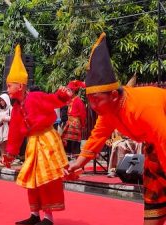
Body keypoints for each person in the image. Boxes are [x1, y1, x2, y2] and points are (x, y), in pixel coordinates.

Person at [67, 32, 166, 225]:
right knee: (154, 194)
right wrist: (78, 163)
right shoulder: (109, 112)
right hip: (155, 147)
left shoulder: (142, 108)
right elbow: (97, 137)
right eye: (90, 100)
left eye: (96, 100)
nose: (93, 106)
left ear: (113, 95)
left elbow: (164, 140)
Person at [3, 44, 72, 225]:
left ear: (20, 85)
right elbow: (15, 133)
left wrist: (63, 94)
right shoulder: (16, 108)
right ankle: (35, 214)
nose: (8, 89)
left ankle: (48, 217)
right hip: (33, 144)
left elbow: (54, 100)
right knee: (32, 180)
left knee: (46, 179)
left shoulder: (36, 97)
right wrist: (9, 154)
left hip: (47, 140)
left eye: (10, 86)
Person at [61, 80, 86, 160]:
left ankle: (75, 158)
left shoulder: (78, 100)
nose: (67, 91)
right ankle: (67, 157)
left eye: (69, 90)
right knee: (65, 139)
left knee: (73, 141)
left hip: (75, 123)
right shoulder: (69, 100)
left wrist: (82, 124)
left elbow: (82, 113)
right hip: (69, 122)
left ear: (73, 91)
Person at [0, 93, 12, 162]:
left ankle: (8, 158)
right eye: (0, 100)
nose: (1, 102)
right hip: (1, 129)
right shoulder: (0, 110)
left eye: (3, 100)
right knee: (2, 144)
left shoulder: (11, 109)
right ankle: (3, 158)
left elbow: (14, 118)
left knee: (8, 143)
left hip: (8, 129)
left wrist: (5, 118)